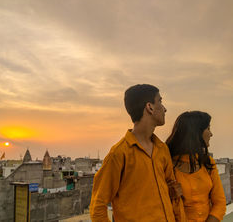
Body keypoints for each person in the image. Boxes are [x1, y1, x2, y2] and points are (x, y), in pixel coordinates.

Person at [90, 84, 185, 222]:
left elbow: (174, 194)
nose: (164, 109)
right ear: (150, 107)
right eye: (160, 101)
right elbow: (97, 207)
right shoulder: (119, 154)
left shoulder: (162, 149)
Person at [166, 111, 226, 222]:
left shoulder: (208, 163)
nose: (211, 134)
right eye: (208, 129)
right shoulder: (168, 166)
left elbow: (220, 203)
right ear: (196, 133)